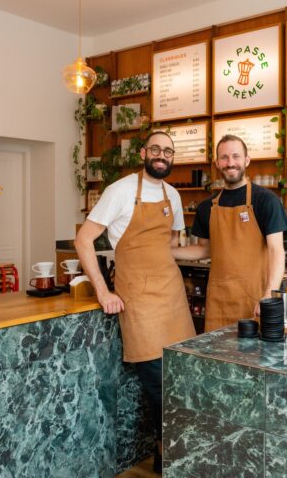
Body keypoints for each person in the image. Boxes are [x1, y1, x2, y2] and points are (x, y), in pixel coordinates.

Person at [74, 131, 195, 473]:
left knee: (179, 379)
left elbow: (170, 247)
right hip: (139, 300)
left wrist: (220, 250)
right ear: (143, 153)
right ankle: (167, 457)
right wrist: (102, 291)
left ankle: (172, 457)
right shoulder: (121, 190)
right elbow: (83, 240)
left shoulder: (172, 195)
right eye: (156, 149)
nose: (162, 155)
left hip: (172, 295)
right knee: (159, 385)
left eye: (168, 151)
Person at [173, 134, 287, 331]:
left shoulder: (265, 201)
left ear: (247, 160)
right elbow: (204, 250)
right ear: (217, 163)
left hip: (255, 301)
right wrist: (168, 252)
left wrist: (268, 294)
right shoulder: (207, 207)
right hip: (219, 302)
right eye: (224, 157)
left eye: (236, 156)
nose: (230, 163)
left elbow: (277, 252)